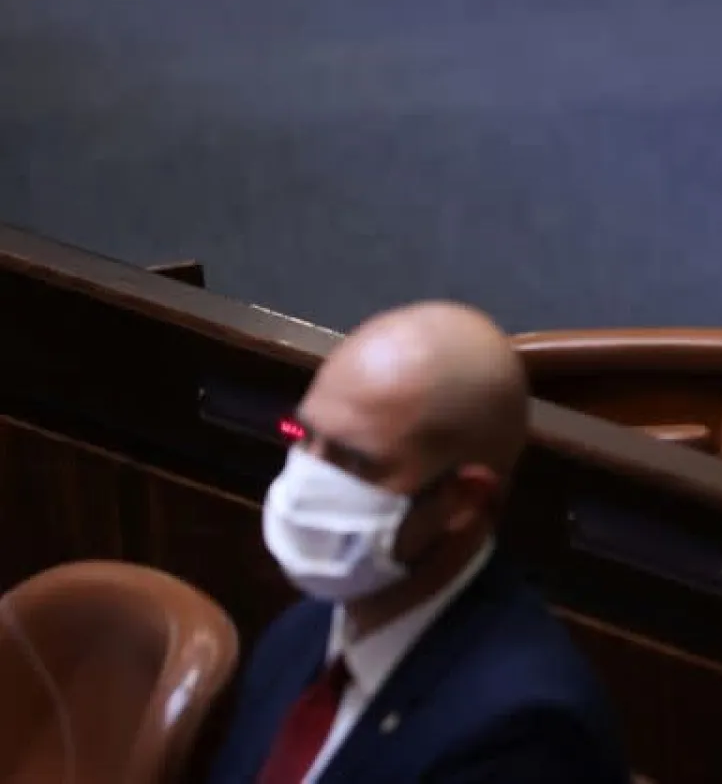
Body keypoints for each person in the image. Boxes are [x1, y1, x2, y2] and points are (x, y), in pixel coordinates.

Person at [210, 302, 629, 784]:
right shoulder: (300, 635)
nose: (308, 480)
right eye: (303, 437)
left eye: (354, 463)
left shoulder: (525, 734)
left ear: (463, 500)